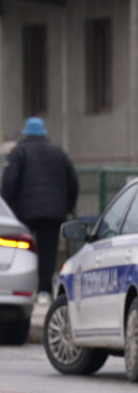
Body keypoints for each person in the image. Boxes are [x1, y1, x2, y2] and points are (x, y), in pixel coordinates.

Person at [1, 117, 78, 302]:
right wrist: (69, 206)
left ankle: (23, 288)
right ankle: (44, 291)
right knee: (48, 252)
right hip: (53, 213)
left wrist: (6, 207)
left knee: (22, 250)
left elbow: (10, 181)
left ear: (26, 133)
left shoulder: (20, 152)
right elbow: (73, 181)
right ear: (44, 133)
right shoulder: (58, 152)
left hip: (24, 214)